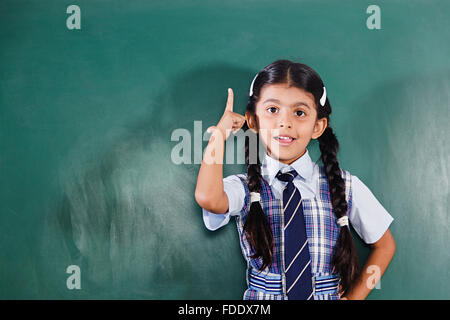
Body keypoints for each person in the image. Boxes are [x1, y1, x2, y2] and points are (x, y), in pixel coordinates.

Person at [195, 59, 396, 300]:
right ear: (253, 120)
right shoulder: (245, 187)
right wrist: (220, 136)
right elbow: (208, 197)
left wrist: (355, 298)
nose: (285, 122)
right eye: (272, 110)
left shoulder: (344, 186)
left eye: (299, 112)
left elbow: (385, 246)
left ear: (318, 126)